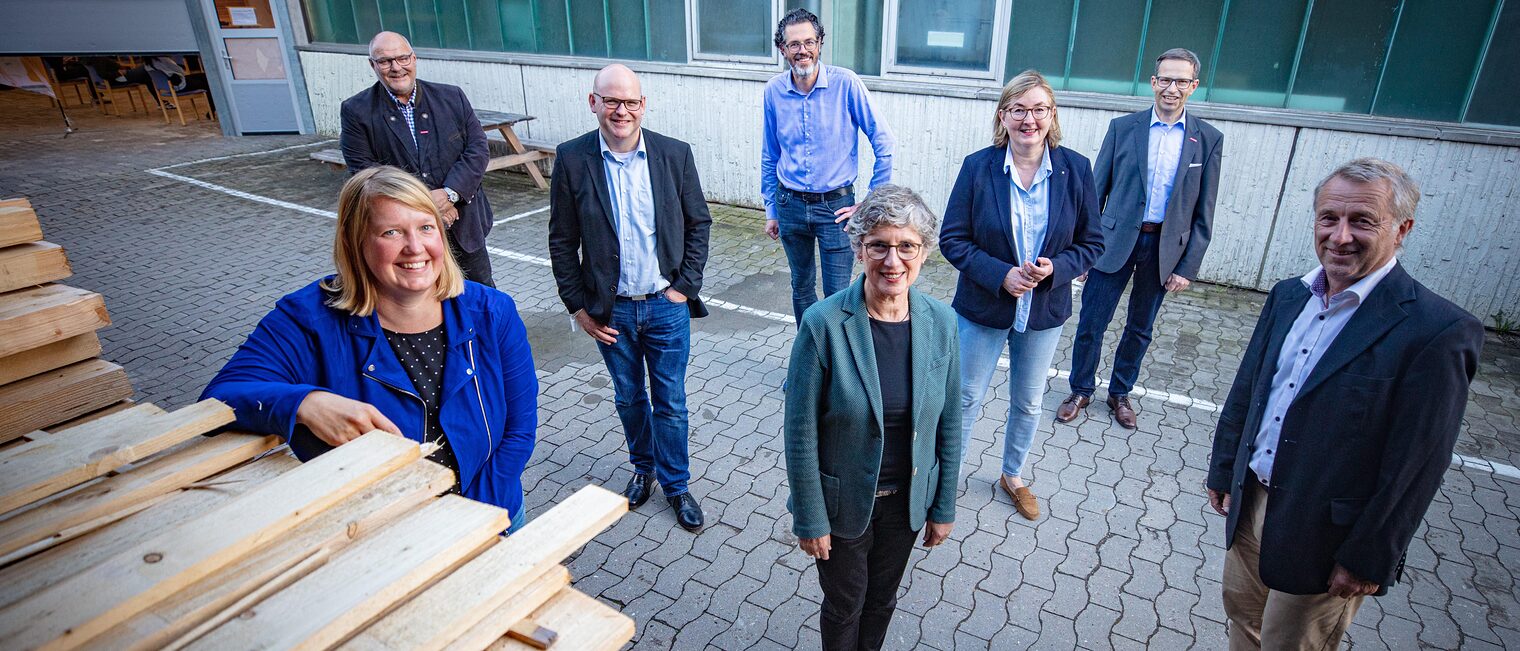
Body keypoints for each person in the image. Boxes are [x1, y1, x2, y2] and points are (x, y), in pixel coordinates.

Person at [1205, 158, 1483, 649]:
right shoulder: (1289, 295)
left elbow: (1417, 464)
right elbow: (1250, 389)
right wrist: (1224, 468)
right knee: (1244, 622)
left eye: (1362, 221)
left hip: (1324, 535)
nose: (1340, 236)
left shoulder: (1437, 331)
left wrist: (1369, 556)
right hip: (1251, 503)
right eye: (1329, 218)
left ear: (1402, 230)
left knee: (1289, 643)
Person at [202, 166, 538, 525]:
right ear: (354, 243)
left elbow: (518, 430)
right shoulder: (309, 320)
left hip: (492, 516)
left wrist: (473, 518)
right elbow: (218, 400)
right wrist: (305, 403)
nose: (415, 248)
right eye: (391, 232)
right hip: (376, 530)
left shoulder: (491, 312)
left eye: (426, 227)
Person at [784, 184, 961, 651]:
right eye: (879, 245)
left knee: (882, 600)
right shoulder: (823, 323)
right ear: (860, 249)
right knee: (845, 604)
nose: (892, 260)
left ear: (924, 252)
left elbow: (949, 422)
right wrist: (810, 518)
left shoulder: (941, 322)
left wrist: (943, 506)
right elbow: (800, 432)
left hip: (906, 503)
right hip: (843, 505)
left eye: (907, 246)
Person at [548, 64, 712, 532]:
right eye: (612, 101)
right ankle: (644, 469)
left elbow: (699, 223)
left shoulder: (674, 154)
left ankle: (676, 485)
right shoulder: (573, 158)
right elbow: (562, 240)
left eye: (631, 101)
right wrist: (578, 308)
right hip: (611, 311)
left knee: (671, 401)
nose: (622, 110)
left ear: (643, 104)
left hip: (665, 305)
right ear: (593, 102)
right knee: (628, 397)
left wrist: (684, 287)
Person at [939, 70, 1103, 520]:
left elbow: (1092, 242)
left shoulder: (1076, 169)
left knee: (1029, 402)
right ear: (1003, 116)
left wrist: (1056, 269)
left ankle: (1012, 475)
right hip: (982, 307)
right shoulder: (978, 167)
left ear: (1052, 115)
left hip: (1044, 310)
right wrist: (1001, 276)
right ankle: (945, 479)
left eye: (1038, 109)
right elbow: (952, 238)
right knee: (964, 397)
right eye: (1018, 110)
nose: (1029, 119)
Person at [1058, 47, 1224, 429]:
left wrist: (1188, 266)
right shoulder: (1123, 128)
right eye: (1165, 79)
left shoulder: (1208, 139)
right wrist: (1083, 251)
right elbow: (1094, 194)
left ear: (1193, 86)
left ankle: (1120, 393)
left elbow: (1205, 210)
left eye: (1181, 81)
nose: (1171, 88)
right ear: (1153, 82)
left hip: (1163, 248)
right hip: (1114, 241)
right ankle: (1080, 389)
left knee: (1140, 328)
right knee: (1092, 322)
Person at [762, 8, 894, 324]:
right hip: (790, 205)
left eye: (809, 42)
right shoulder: (774, 91)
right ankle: (809, 351)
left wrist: (870, 203)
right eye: (794, 44)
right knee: (801, 287)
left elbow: (884, 143)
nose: (802, 50)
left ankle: (836, 355)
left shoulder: (846, 84)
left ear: (820, 43)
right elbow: (770, 154)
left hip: (837, 209)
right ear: (782, 49)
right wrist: (771, 209)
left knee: (838, 294)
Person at [340, 31, 497, 287]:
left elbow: (477, 149)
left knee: (480, 295)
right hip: (405, 236)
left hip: (462, 223)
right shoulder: (356, 111)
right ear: (372, 65)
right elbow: (364, 172)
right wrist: (428, 208)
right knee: (422, 297)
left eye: (402, 58)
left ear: (414, 58)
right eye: (385, 61)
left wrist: (450, 195)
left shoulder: (452, 97)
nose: (396, 67)